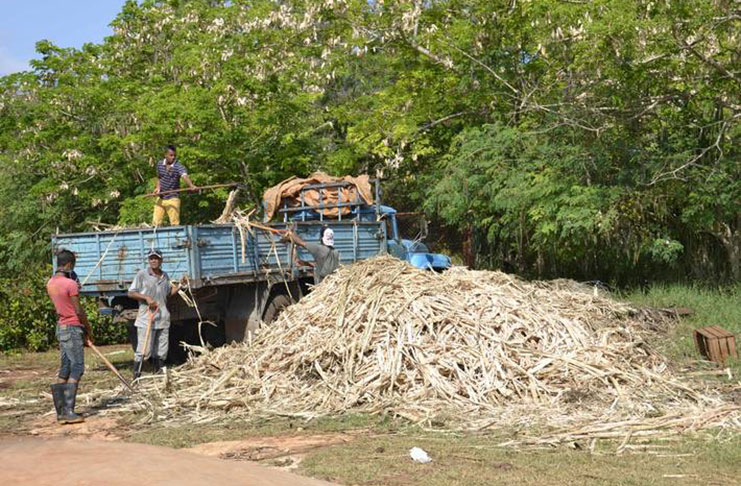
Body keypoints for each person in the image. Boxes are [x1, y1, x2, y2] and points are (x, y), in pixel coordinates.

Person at [46, 249, 93, 424]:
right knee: (77, 367)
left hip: (61, 327)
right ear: (68, 265)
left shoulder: (50, 283)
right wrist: (87, 328)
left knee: (65, 367)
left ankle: (61, 412)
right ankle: (68, 411)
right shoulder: (70, 284)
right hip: (73, 327)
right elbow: (78, 310)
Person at [127, 249, 182, 380]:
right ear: (148, 260)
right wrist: (146, 298)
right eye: (151, 258)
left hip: (163, 317)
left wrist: (180, 285)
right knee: (144, 350)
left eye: (156, 258)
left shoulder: (165, 276)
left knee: (161, 350)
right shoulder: (142, 275)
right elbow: (131, 292)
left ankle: (158, 376)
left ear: (161, 260)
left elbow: (168, 293)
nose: (153, 261)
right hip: (147, 318)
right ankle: (136, 376)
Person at [153, 145, 197, 226]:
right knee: (155, 223)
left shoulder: (178, 166)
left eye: (174, 155)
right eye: (171, 155)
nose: (173, 157)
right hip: (161, 197)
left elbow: (184, 175)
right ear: (165, 155)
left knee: (174, 223)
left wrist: (191, 185)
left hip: (173, 197)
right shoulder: (159, 164)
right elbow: (158, 177)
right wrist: (158, 187)